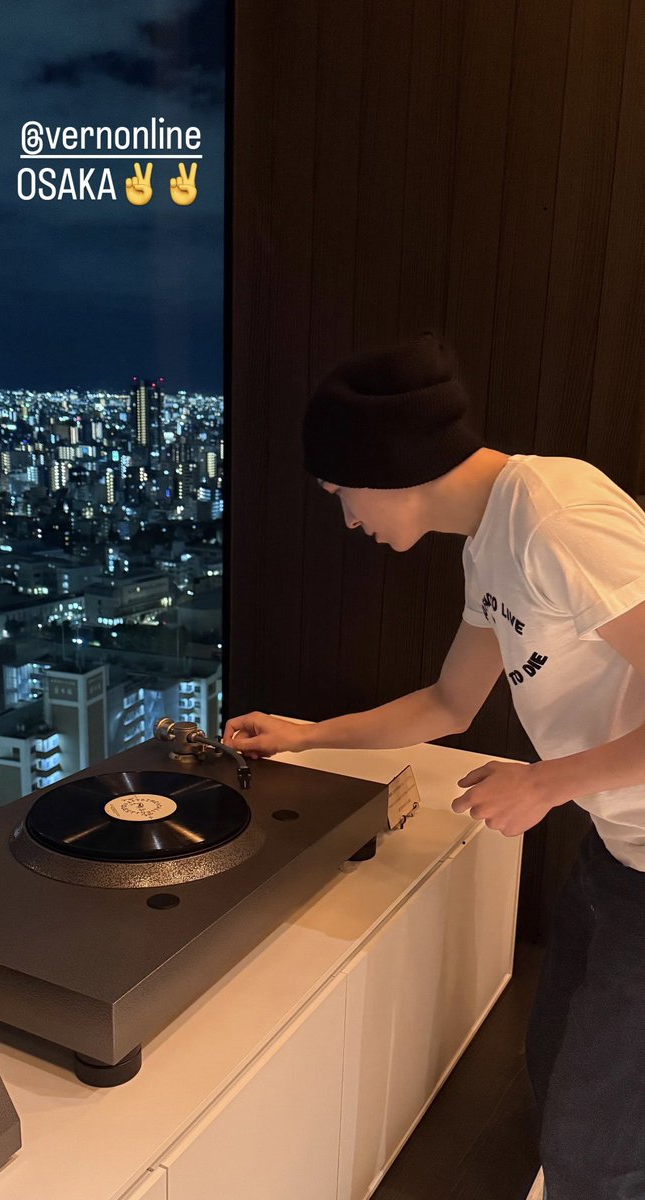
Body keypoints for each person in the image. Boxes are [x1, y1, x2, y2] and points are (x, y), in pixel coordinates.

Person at [222, 333, 645, 1200]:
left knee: (593, 1145)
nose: (348, 520)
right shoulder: (491, 543)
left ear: (387, 469)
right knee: (555, 1065)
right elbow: (448, 703)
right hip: (619, 845)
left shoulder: (554, 519)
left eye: (340, 494)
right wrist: (305, 735)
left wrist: (543, 783)